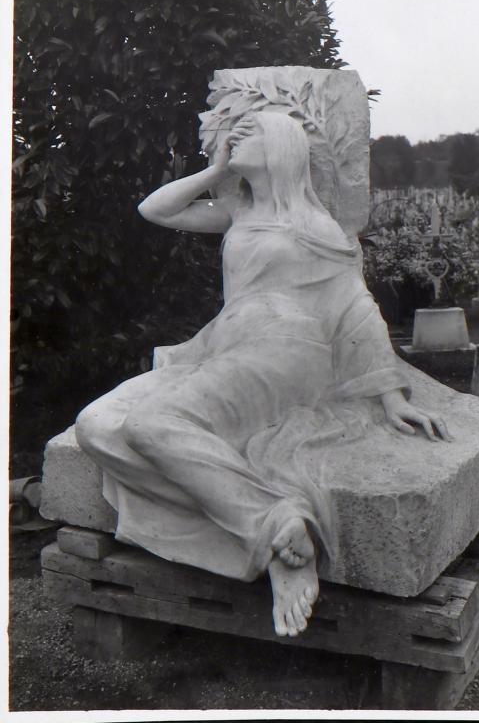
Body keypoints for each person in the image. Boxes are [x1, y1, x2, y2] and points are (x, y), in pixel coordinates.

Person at [76, 112, 451, 638]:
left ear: (282, 145)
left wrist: (391, 396)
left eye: (249, 130)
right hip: (222, 347)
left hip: (287, 350)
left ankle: (279, 536)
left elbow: (354, 307)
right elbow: (154, 209)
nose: (235, 135)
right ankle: (269, 523)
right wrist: (215, 170)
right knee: (95, 425)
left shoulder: (314, 225)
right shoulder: (236, 209)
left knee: (149, 427)